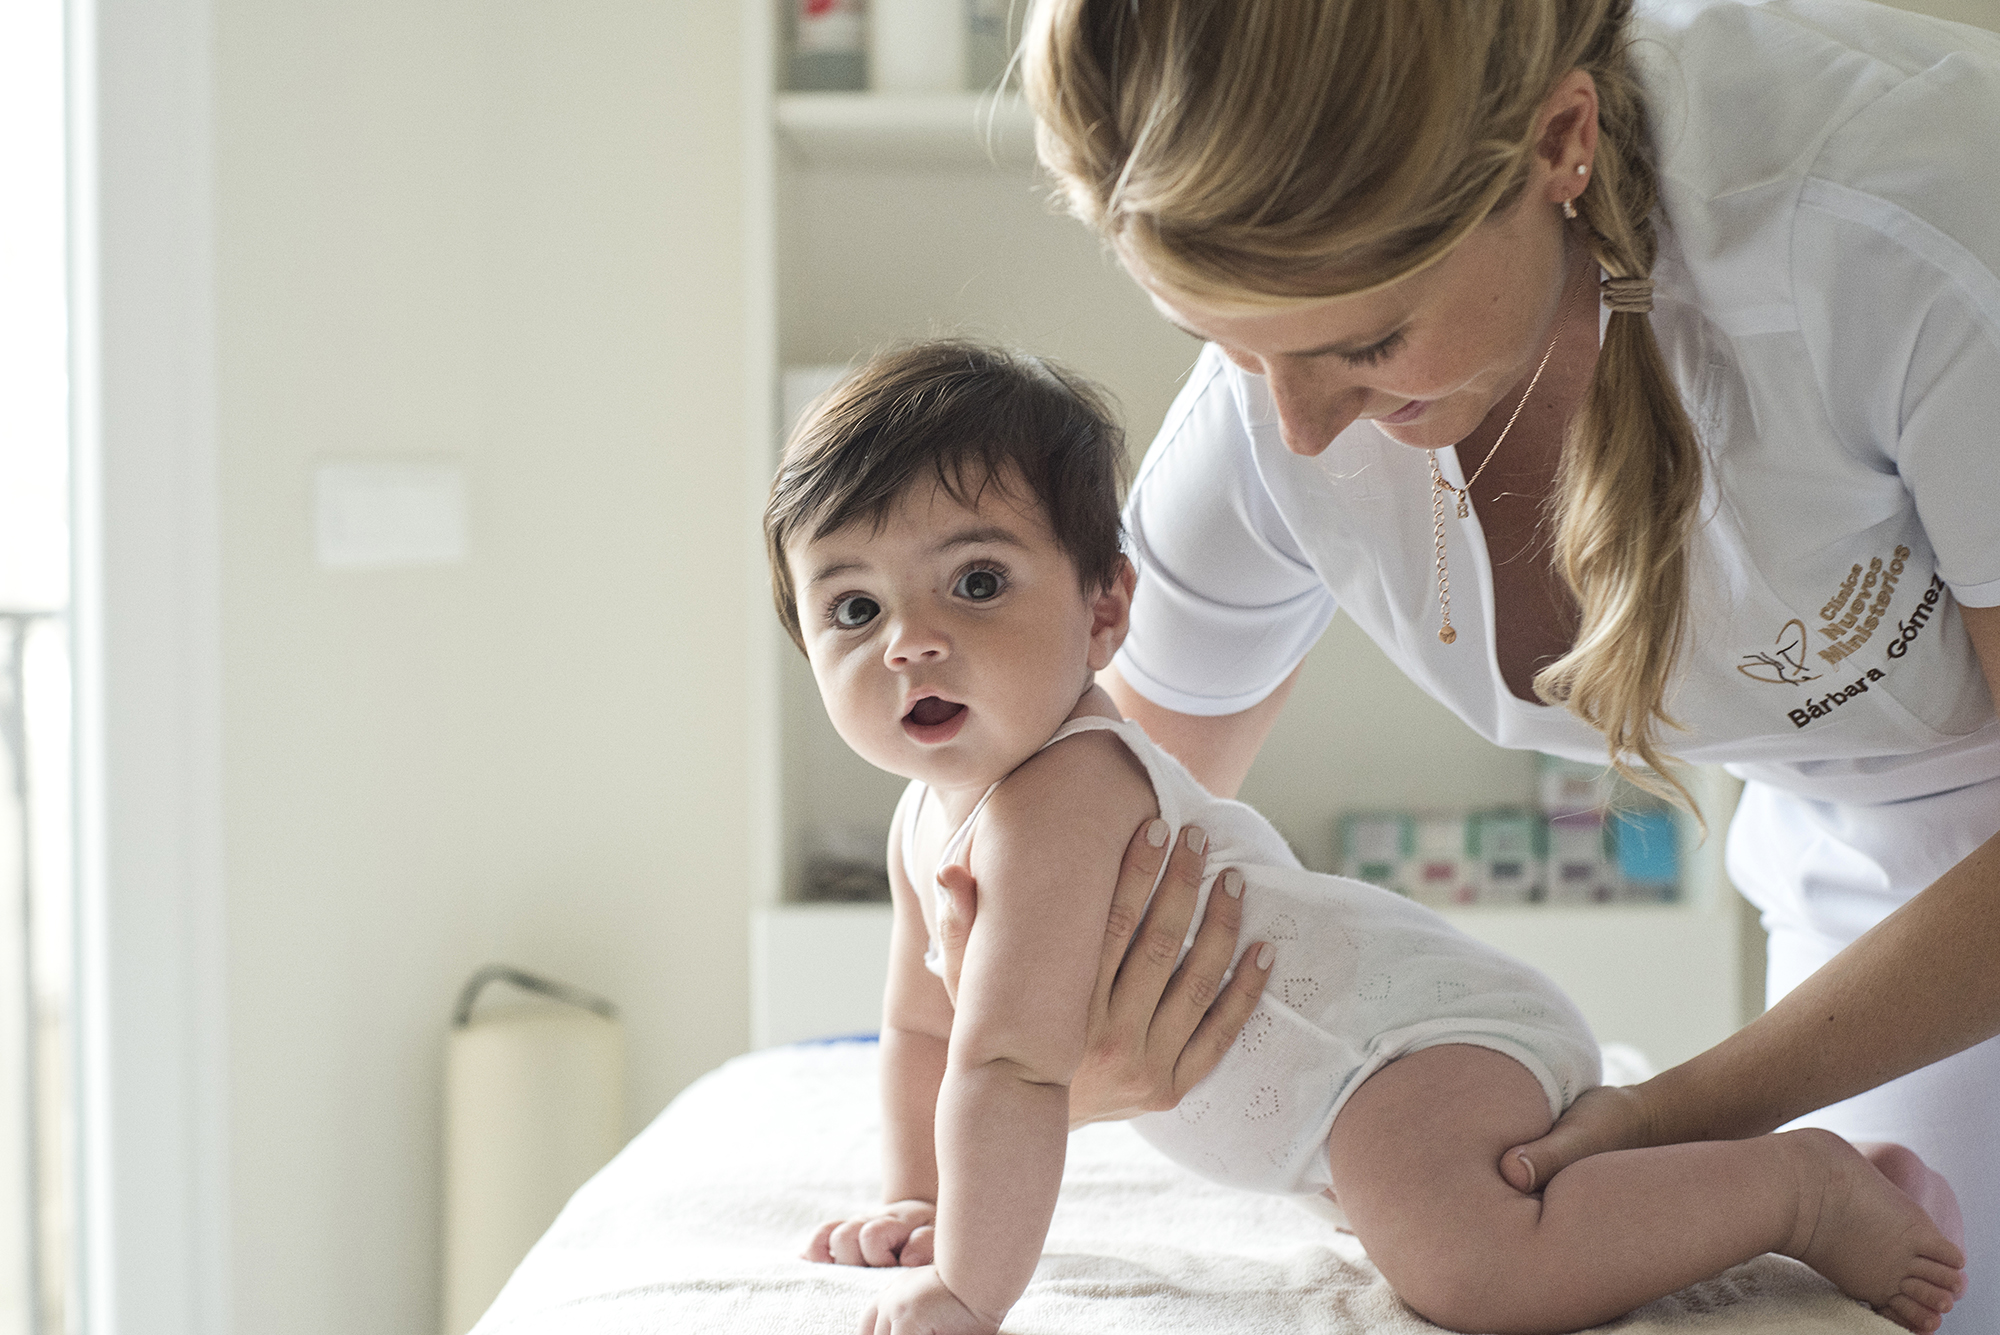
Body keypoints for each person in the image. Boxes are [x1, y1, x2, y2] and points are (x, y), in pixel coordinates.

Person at [945, 0, 2000, 1329]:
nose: (1301, 428)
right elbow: (1099, 835)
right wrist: (1076, 1030)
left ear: (1561, 142)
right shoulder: (1265, 423)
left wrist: (1679, 1116)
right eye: (1220, 341)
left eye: (1368, 344)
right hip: (1872, 853)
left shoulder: (1910, 229)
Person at [770, 340, 1966, 1335]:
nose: (909, 641)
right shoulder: (928, 815)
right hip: (1350, 1099)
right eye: (853, 607)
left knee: (1463, 1264)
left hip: (1407, 1053)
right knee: (1436, 1211)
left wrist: (968, 1291)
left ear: (1104, 611)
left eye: (974, 583)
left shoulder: (1060, 797)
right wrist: (918, 1193)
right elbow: (926, 1031)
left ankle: (1797, 1190)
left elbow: (1010, 1067)